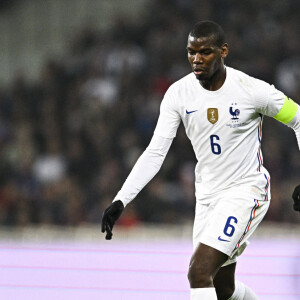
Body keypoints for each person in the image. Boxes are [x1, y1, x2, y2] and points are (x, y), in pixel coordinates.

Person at [101, 21, 300, 300]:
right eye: (191, 52)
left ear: (223, 51)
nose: (196, 59)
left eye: (205, 52)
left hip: (246, 192)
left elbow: (298, 118)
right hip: (207, 197)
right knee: (222, 288)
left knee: (198, 271)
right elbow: (156, 151)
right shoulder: (178, 94)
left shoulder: (252, 90)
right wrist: (122, 198)